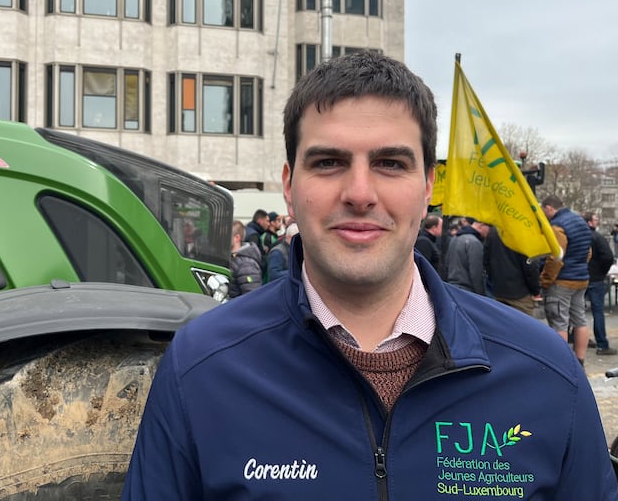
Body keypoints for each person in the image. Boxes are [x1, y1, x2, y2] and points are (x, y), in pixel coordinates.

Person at [124, 51, 616, 499]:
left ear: (428, 187)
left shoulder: (547, 377)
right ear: (289, 186)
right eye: (329, 162)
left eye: (389, 163)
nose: (360, 192)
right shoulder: (201, 370)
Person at [540, 195, 592, 367]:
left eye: (543, 211)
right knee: (580, 320)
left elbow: (556, 257)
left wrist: (546, 280)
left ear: (549, 208)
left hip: (562, 281)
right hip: (581, 278)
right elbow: (588, 252)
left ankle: (563, 364)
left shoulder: (558, 226)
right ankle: (580, 361)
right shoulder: (580, 221)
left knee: (559, 322)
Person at [483, 226, 540, 316]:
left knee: (503, 324)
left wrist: (494, 280)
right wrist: (535, 290)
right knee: (524, 326)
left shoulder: (494, 231)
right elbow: (531, 268)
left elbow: (486, 261)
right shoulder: (524, 232)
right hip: (521, 293)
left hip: (499, 290)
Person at [583, 211, 617, 355]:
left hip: (579, 277)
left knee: (576, 311)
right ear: (590, 222)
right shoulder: (597, 237)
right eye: (596, 220)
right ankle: (602, 345)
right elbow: (608, 256)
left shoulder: (576, 236)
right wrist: (602, 271)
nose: (597, 222)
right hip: (595, 278)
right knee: (598, 311)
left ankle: (577, 338)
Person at [445, 217, 490, 294]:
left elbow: (447, 263)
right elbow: (476, 272)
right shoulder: (474, 242)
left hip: (452, 286)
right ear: (481, 225)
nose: (489, 232)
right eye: (489, 228)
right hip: (468, 289)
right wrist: (481, 294)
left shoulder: (454, 238)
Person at [228, 220, 262, 298]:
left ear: (237, 238)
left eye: (226, 235)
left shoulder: (247, 265)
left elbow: (252, 297)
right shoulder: (232, 258)